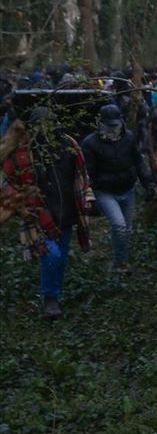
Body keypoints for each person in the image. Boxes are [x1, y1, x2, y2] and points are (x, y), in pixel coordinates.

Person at [1, 110, 94, 318]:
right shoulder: (25, 152)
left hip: (67, 214)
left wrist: (86, 200)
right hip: (40, 217)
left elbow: (81, 175)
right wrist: (19, 204)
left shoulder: (69, 146)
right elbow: (9, 180)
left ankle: (55, 296)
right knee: (52, 255)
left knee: (60, 258)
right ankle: (49, 298)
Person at [82, 104, 155, 273]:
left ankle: (120, 260)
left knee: (126, 230)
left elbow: (138, 161)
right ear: (100, 123)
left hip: (127, 189)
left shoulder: (129, 137)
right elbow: (88, 174)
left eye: (116, 126)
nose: (113, 130)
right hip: (105, 192)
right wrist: (91, 197)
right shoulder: (90, 144)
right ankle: (120, 264)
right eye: (109, 126)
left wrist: (149, 183)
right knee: (119, 225)